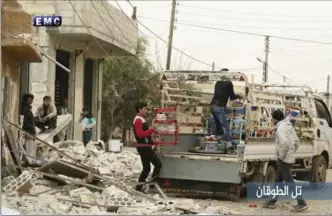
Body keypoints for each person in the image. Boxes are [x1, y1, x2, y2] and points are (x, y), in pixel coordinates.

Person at [263, 110, 308, 212]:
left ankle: (302, 203)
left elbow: (285, 143)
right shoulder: (288, 126)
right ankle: (272, 201)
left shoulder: (281, 128)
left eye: (272, 118)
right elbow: (297, 142)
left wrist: (281, 156)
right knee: (278, 180)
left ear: (274, 119)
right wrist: (291, 152)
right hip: (288, 158)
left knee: (289, 182)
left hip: (284, 160)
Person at [133, 102, 161, 192]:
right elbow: (140, 135)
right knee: (158, 164)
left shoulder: (141, 119)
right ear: (140, 109)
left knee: (147, 169)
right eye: (145, 109)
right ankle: (150, 186)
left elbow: (145, 136)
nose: (146, 110)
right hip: (143, 147)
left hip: (144, 146)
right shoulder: (138, 120)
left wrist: (152, 141)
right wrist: (152, 129)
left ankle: (138, 188)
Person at [210, 77, 241, 151]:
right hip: (219, 106)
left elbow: (219, 94)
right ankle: (228, 144)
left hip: (212, 105)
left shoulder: (218, 82)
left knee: (218, 125)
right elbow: (232, 97)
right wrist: (239, 96)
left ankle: (214, 138)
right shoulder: (229, 83)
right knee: (225, 126)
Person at [21, 93, 38, 164]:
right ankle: (28, 161)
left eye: (31, 100)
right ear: (25, 101)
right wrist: (32, 130)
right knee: (28, 147)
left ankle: (29, 160)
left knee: (30, 146)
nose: (30, 101)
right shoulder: (25, 109)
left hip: (30, 130)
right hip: (28, 131)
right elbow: (26, 122)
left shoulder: (28, 108)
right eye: (29, 100)